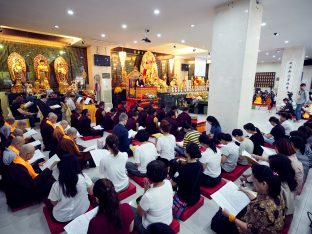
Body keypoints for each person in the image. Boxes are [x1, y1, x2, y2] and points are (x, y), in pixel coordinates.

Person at [220, 165, 285, 234]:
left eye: (254, 181)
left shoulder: (262, 209)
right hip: (269, 224)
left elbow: (251, 230)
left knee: (220, 221)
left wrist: (231, 217)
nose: (253, 184)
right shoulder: (275, 191)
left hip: (256, 230)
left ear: (263, 184)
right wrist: (245, 191)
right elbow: (257, 199)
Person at [5, 144, 55, 209]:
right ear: (27, 154)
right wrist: (47, 171)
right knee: (51, 182)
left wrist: (37, 165)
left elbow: (27, 168)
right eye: (33, 154)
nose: (33, 156)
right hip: (21, 194)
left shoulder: (18, 159)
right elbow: (32, 185)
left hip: (24, 184)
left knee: (47, 175)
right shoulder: (19, 169)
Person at [48, 155, 93, 223]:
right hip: (83, 210)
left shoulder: (57, 185)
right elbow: (91, 192)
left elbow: (54, 203)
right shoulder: (84, 177)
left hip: (62, 217)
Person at [134, 160, 173, 234]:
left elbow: (139, 213)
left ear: (149, 176)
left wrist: (145, 191)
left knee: (128, 210)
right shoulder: (168, 183)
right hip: (168, 222)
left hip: (151, 229)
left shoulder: (149, 195)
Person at [171, 143, 202, 219]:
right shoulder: (199, 165)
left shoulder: (182, 169)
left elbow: (173, 184)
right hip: (196, 196)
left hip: (185, 199)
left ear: (187, 153)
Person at [269, 154, 297, 230]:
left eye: (270, 166)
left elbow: (290, 213)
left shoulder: (284, 187)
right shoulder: (286, 177)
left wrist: (283, 228)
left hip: (275, 216)